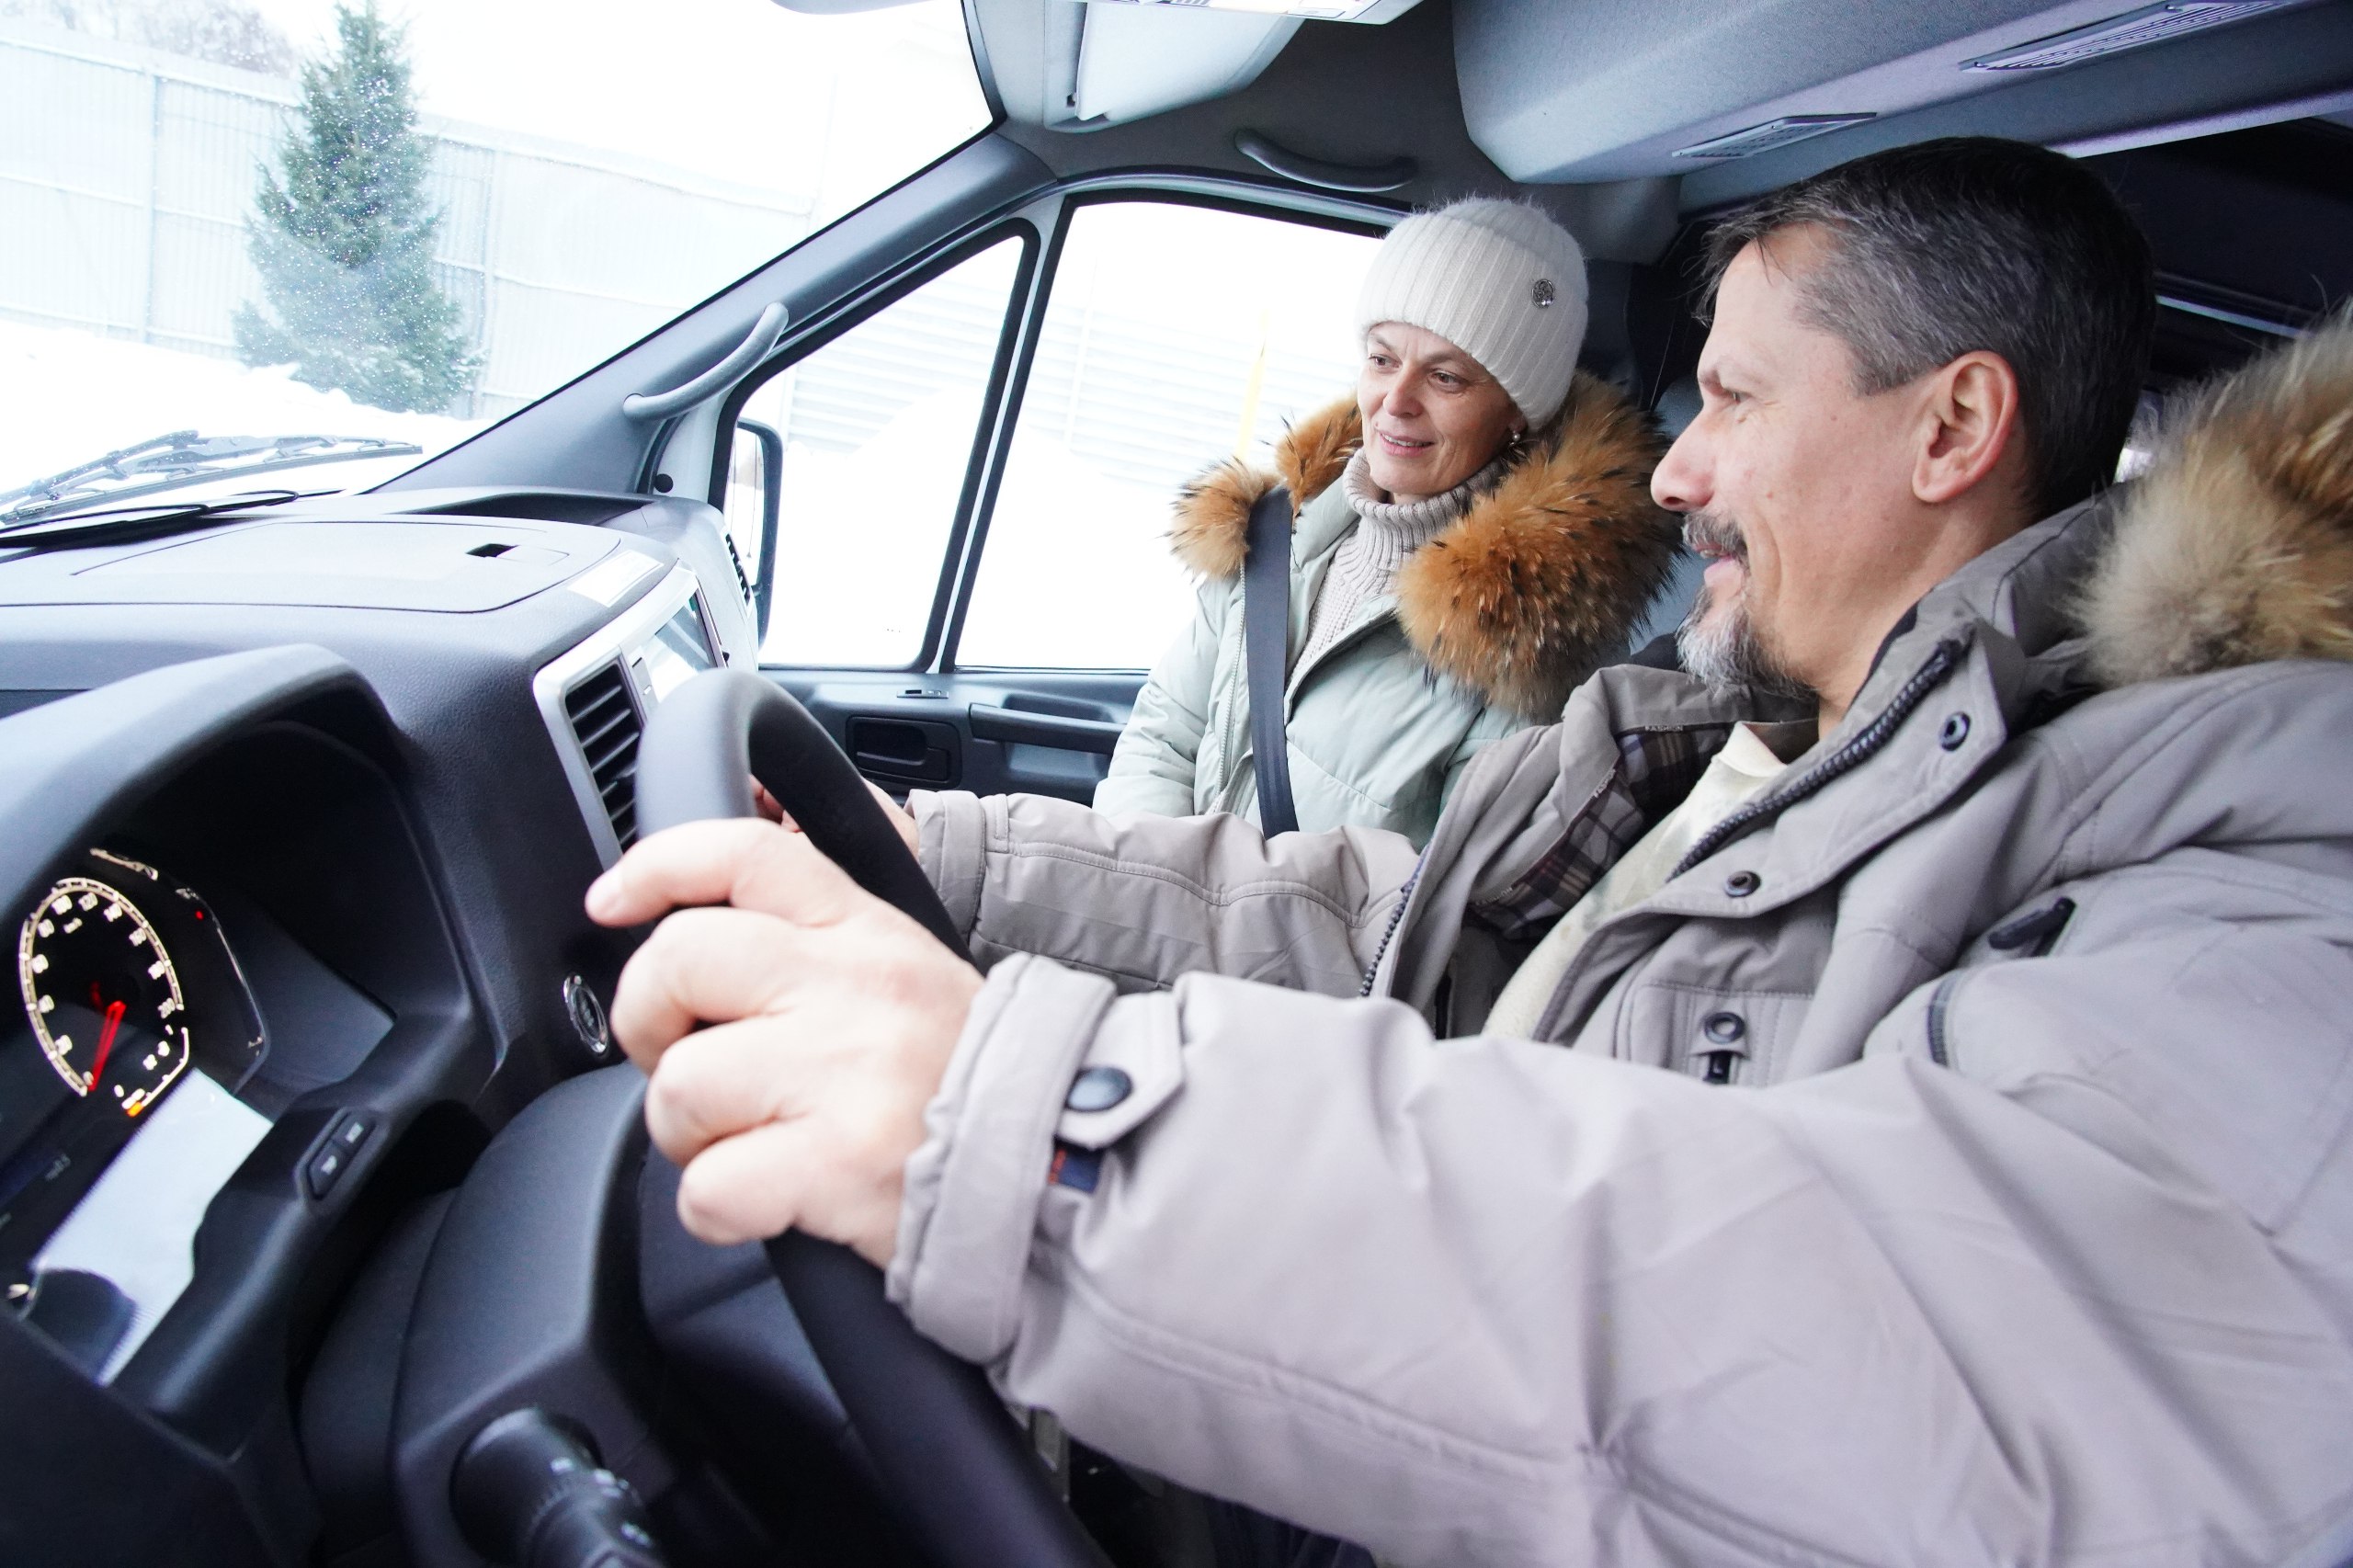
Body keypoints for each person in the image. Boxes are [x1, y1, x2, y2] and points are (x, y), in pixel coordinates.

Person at [589, 137, 2353, 1565]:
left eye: (1731, 398)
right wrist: (944, 858)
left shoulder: (2233, 831)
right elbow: (1393, 935)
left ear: (1951, 428)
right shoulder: (1729, 725)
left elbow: (1937, 1339)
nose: (1679, 471)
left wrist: (1030, 1134)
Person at [1096, 198, 1676, 845]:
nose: (1395, 401)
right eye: (1381, 359)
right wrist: (1148, 879)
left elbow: (1427, 909)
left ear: (1518, 414)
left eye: (1447, 377)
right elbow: (1164, 732)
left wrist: (1196, 916)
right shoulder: (1275, 534)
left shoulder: (1524, 645)